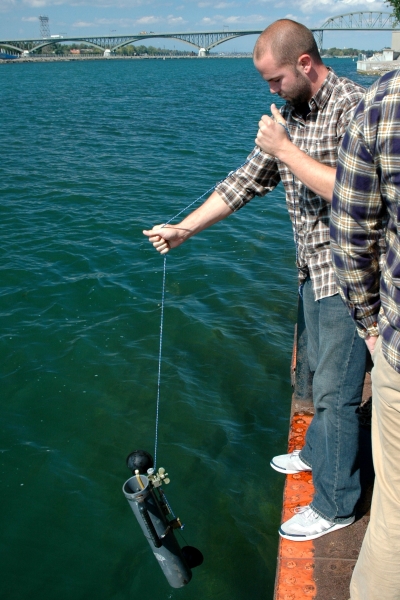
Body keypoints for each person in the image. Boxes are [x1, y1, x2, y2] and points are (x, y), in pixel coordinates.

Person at [143, 19, 367, 542]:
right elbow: (245, 181)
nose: (269, 90)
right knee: (312, 379)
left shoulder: (353, 108)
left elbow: (357, 193)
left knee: (337, 393)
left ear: (305, 65)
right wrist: (185, 230)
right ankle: (316, 452)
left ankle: (337, 505)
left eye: (274, 79)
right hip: (310, 269)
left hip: (349, 275)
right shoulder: (291, 113)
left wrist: (287, 150)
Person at [330, 69, 400, 600]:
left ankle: (335, 501)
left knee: (394, 523)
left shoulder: (379, 100)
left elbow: (352, 232)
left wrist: (372, 326)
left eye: (275, 78)